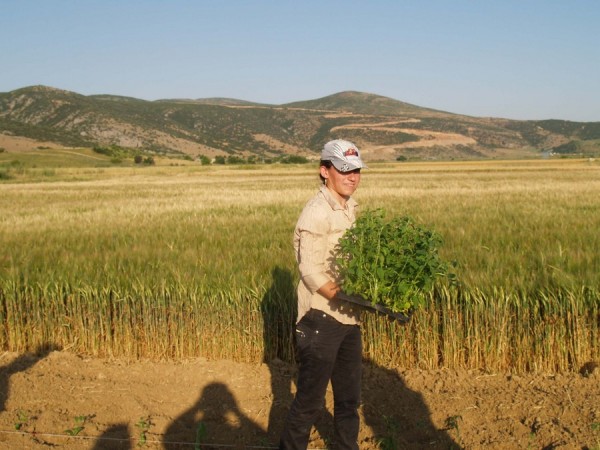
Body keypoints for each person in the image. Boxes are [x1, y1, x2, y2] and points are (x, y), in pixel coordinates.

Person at [279, 139, 367, 450]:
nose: (352, 177)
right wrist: (348, 296)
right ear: (324, 171)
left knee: (349, 401)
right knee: (309, 403)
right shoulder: (316, 212)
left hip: (348, 319)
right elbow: (311, 271)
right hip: (320, 318)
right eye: (344, 170)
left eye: (356, 170)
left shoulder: (351, 207)